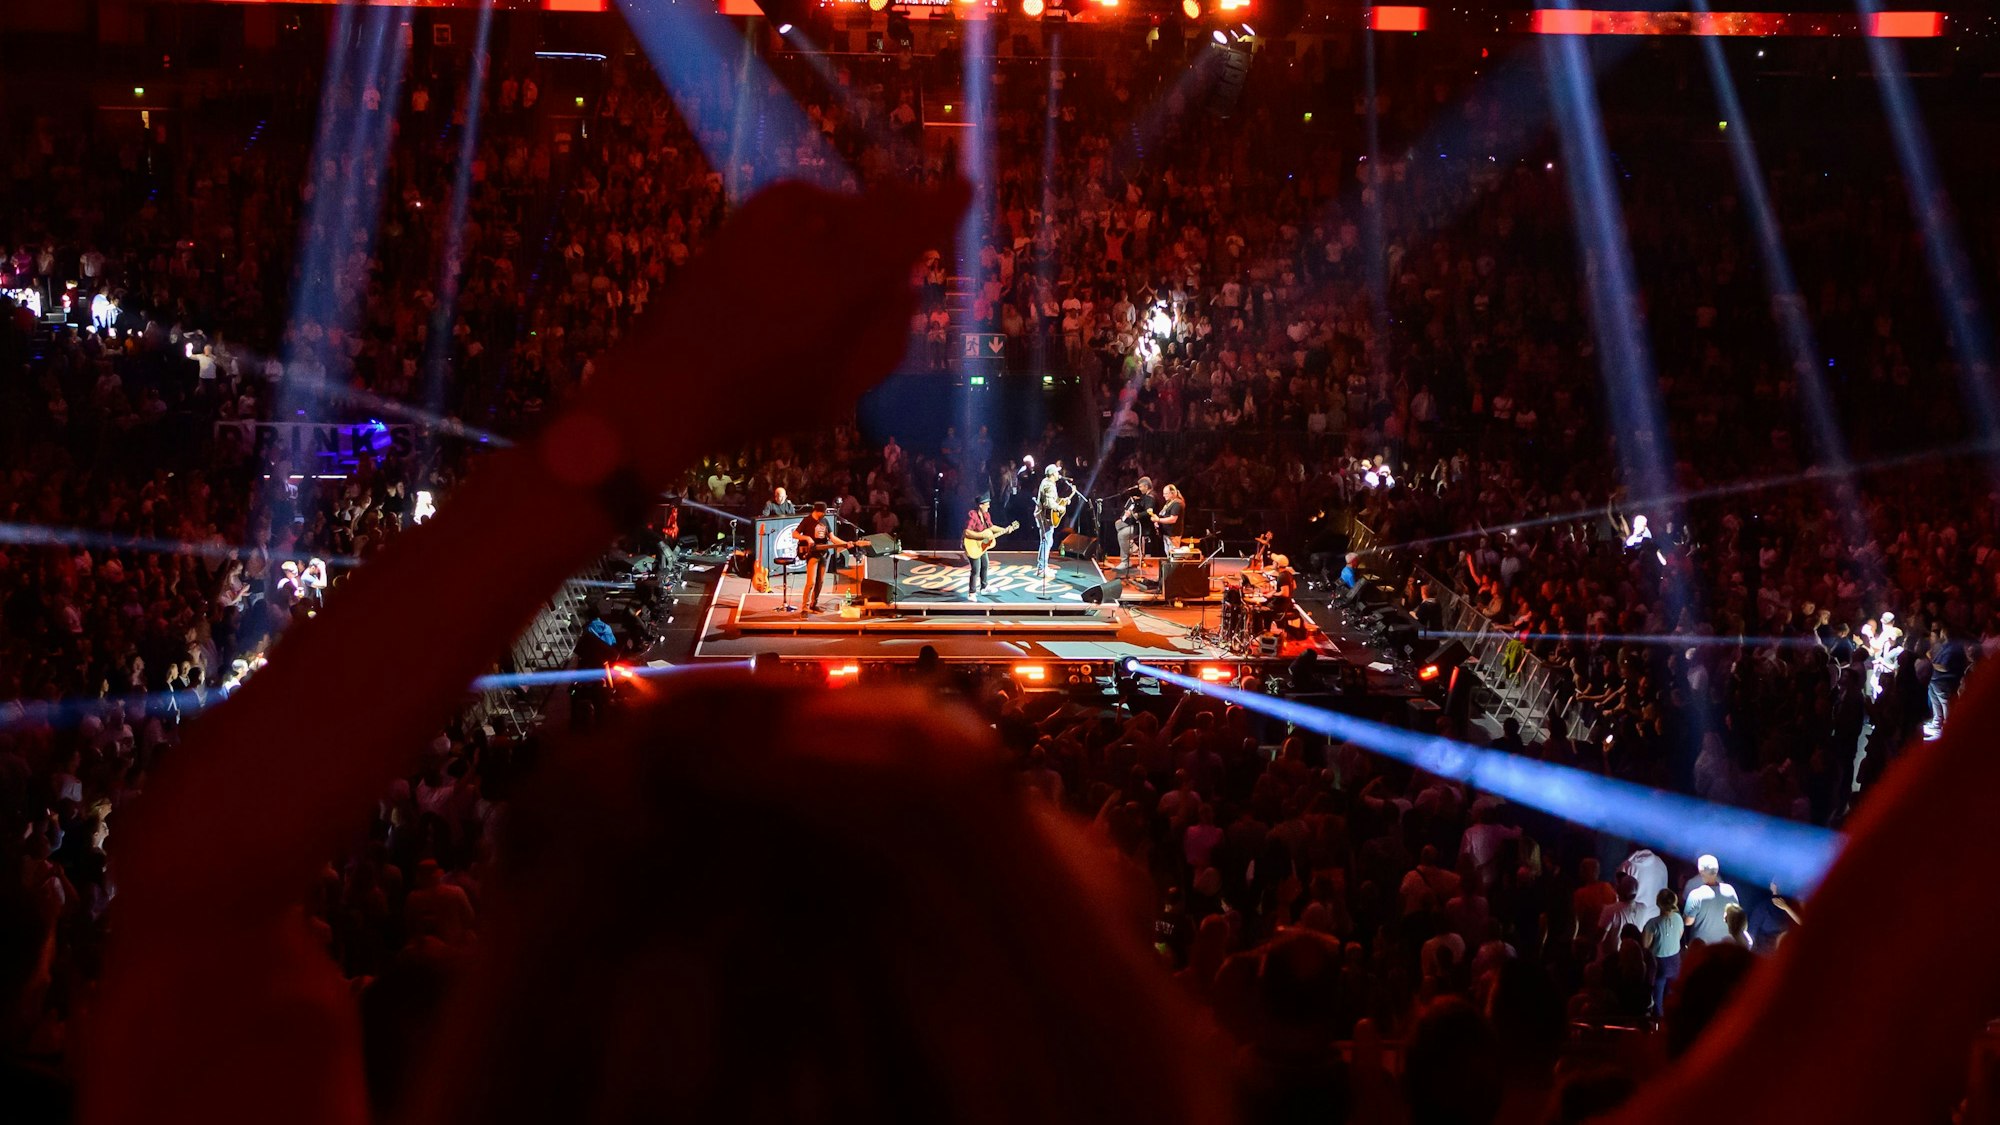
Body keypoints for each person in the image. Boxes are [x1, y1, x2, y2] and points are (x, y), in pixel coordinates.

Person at [793, 501, 848, 614]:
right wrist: (807, 538)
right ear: (817, 511)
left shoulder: (825, 521)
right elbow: (795, 534)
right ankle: (804, 607)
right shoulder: (807, 520)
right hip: (812, 555)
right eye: (822, 512)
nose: (824, 514)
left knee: (820, 581)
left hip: (824, 554)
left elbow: (832, 538)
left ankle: (814, 604)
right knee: (811, 582)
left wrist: (845, 544)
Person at [1642, 888, 1684, 1018]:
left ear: (1658, 903)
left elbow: (1645, 945)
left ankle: (1658, 1025)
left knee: (1658, 997)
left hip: (1659, 964)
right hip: (1675, 961)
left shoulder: (1652, 924)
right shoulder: (1678, 918)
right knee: (1671, 994)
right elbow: (1680, 935)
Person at [1683, 854, 1742, 946]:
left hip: (1702, 948)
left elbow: (1688, 921)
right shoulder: (1730, 890)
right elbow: (1736, 915)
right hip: (1725, 945)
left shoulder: (1696, 895)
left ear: (1700, 870)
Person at [963, 495, 1003, 597]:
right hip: (971, 544)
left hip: (981, 544)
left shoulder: (986, 515)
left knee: (985, 564)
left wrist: (1004, 530)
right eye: (987, 504)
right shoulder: (972, 515)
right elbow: (967, 532)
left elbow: (991, 527)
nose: (988, 506)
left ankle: (984, 587)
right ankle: (972, 593)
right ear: (981, 505)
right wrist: (980, 535)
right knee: (976, 568)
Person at [1034, 464, 1068, 576]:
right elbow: (1048, 503)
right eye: (1057, 472)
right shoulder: (1048, 485)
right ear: (1053, 474)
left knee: (1048, 541)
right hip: (1044, 518)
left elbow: (1052, 499)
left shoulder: (1048, 483)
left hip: (1045, 517)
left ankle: (1043, 566)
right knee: (1045, 542)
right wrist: (1060, 507)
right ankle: (1041, 568)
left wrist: (1063, 500)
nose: (1059, 474)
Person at [1117, 477, 1155, 574]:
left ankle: (1125, 561)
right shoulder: (1145, 496)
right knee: (1118, 524)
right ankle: (1133, 547)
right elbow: (1141, 505)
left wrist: (1134, 515)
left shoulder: (1151, 497)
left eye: (1141, 487)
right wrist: (1136, 500)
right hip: (1137, 523)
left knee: (1121, 535)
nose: (1139, 489)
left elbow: (1147, 512)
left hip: (1144, 526)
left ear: (1146, 486)